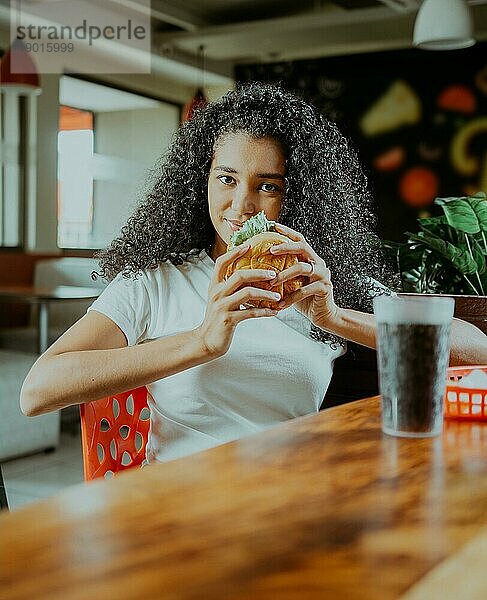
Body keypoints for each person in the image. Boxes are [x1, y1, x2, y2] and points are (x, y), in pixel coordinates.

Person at [21, 83, 487, 463]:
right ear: (200, 179)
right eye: (226, 178)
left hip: (287, 502)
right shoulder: (156, 280)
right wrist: (201, 341)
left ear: (300, 196)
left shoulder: (323, 283)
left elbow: (475, 349)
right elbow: (38, 391)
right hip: (176, 510)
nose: (242, 206)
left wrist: (333, 319)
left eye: (268, 186)